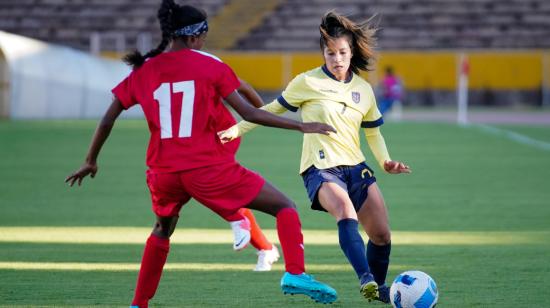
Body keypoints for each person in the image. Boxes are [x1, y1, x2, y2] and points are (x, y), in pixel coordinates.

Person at [65, 1, 339, 307]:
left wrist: (91, 159)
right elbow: (249, 112)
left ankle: (138, 304)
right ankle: (295, 273)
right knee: (284, 207)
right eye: (205, 33)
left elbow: (108, 116)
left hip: (163, 173)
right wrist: (302, 126)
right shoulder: (209, 66)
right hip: (206, 168)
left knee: (161, 230)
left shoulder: (144, 70)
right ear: (195, 35)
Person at [219, 11, 411, 304]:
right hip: (320, 169)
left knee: (382, 235)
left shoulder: (363, 90)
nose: (336, 59)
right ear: (323, 52)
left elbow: (373, 132)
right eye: (330, 53)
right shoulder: (306, 82)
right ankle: (366, 279)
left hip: (355, 167)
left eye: (342, 52)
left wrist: (385, 161)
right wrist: (237, 130)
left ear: (352, 52)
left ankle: (377, 289)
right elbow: (269, 110)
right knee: (345, 213)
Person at [218, 80, 280, 271]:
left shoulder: (205, 64)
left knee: (210, 183)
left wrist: (263, 112)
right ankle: (265, 248)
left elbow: (243, 86)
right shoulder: (165, 69)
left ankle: (237, 218)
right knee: (211, 186)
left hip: (219, 131)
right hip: (188, 136)